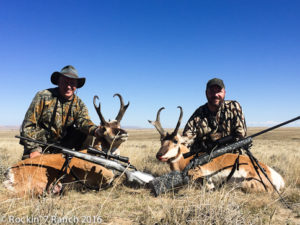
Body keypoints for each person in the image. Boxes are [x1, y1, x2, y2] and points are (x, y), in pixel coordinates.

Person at [20, 65, 102, 159]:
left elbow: (84, 122)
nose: (68, 86)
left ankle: (82, 161)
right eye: (65, 82)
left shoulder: (79, 103)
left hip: (62, 146)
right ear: (58, 82)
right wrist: (33, 150)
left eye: (72, 83)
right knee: (29, 169)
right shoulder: (43, 96)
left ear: (76, 85)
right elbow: (28, 125)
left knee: (87, 133)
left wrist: (97, 130)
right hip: (39, 146)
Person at [183, 78, 247, 154]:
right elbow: (186, 140)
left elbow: (241, 134)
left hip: (232, 155)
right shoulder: (198, 114)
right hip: (206, 158)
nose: (215, 95)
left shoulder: (234, 107)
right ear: (206, 93)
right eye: (212, 91)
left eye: (219, 91)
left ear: (224, 92)